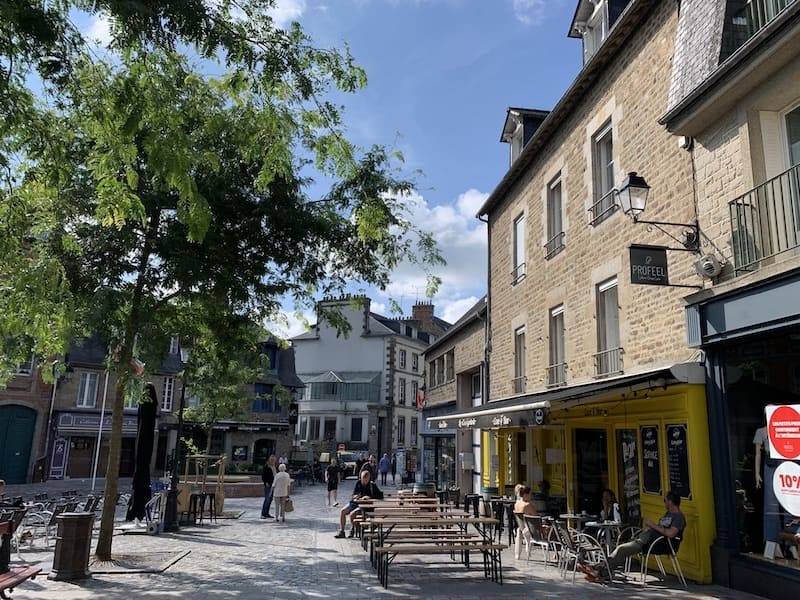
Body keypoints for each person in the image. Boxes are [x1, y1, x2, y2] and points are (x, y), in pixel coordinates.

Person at [585, 491, 685, 582]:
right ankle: (599, 569)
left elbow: (671, 534)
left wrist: (653, 525)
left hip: (658, 544)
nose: (664, 503)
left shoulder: (678, 517)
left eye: (665, 501)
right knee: (621, 548)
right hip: (647, 539)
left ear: (671, 502)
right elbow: (661, 528)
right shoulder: (668, 514)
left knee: (621, 548)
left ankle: (600, 570)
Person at [334, 469, 384, 538]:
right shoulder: (358, 483)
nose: (364, 481)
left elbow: (380, 496)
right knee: (343, 511)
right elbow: (354, 494)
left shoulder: (372, 485)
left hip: (364, 506)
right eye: (363, 479)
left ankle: (353, 529)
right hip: (355, 503)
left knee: (352, 514)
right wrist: (355, 496)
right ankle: (342, 531)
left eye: (366, 479)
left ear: (369, 478)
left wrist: (369, 497)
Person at [513, 486, 537, 560]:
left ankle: (517, 554)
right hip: (531, 530)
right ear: (525, 495)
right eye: (530, 494)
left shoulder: (516, 504)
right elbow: (536, 518)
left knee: (519, 530)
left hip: (522, 527)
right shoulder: (528, 505)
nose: (531, 496)